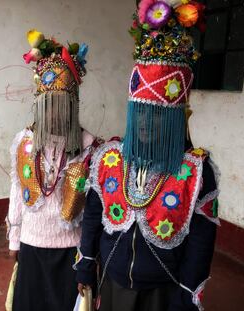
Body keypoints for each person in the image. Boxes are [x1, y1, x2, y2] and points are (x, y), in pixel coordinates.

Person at [76, 1, 219, 310]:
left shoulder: (195, 172)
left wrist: (187, 293)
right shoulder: (109, 158)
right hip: (112, 283)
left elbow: (200, 245)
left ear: (174, 117)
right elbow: (91, 217)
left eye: (155, 114)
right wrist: (86, 262)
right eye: (138, 112)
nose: (143, 123)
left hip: (163, 294)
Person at [6, 29, 100, 311]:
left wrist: (88, 257)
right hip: (31, 243)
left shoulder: (89, 147)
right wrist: (14, 238)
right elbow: (16, 188)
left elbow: (94, 210)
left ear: (74, 106)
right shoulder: (23, 142)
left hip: (71, 248)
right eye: (48, 105)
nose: (54, 114)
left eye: (62, 105)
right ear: (38, 105)